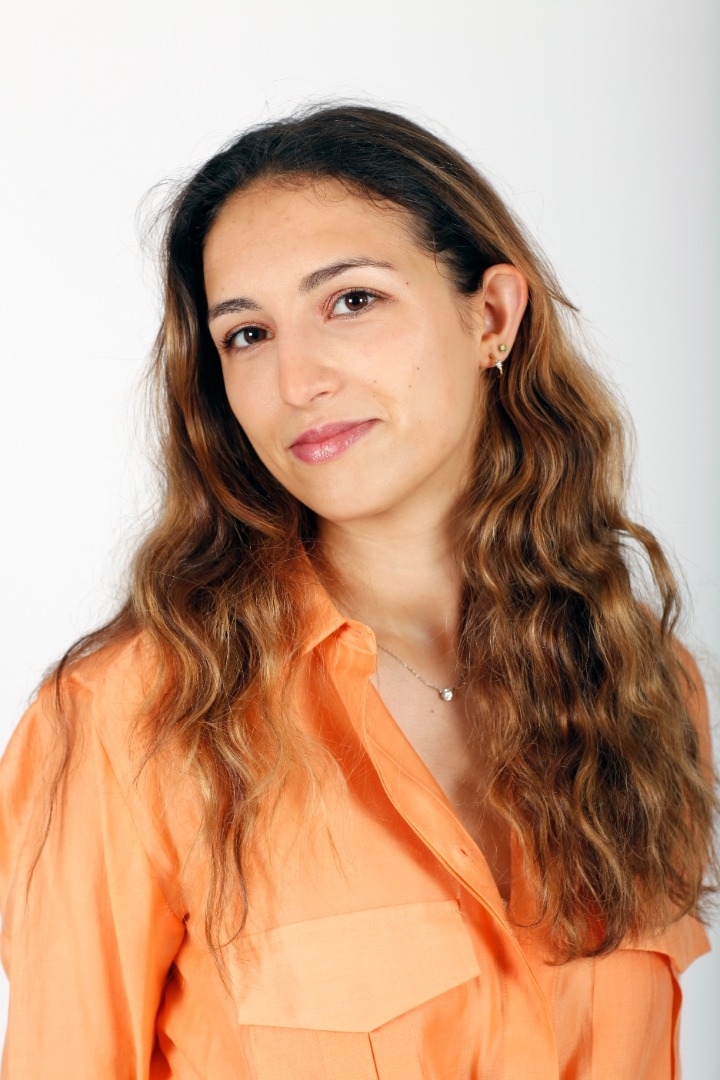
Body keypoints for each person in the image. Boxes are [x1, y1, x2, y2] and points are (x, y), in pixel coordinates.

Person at [0, 104, 716, 1079]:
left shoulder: (643, 687)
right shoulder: (126, 718)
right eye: (247, 334)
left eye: (351, 301)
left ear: (492, 317)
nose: (297, 379)